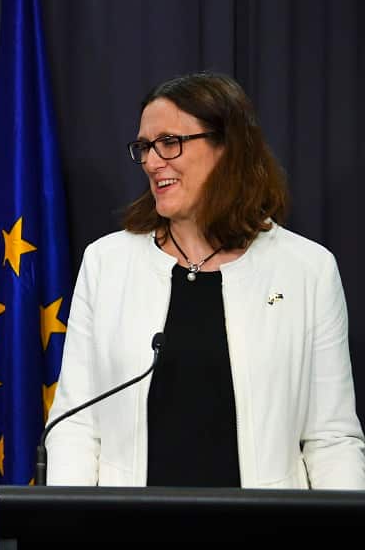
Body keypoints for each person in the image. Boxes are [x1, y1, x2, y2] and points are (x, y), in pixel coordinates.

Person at [47, 71, 365, 488]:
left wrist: (342, 526)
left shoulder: (308, 270)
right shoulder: (106, 263)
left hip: (265, 527)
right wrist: (70, 522)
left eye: (169, 142)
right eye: (144, 147)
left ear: (228, 148)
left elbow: (331, 439)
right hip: (129, 526)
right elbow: (75, 426)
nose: (152, 162)